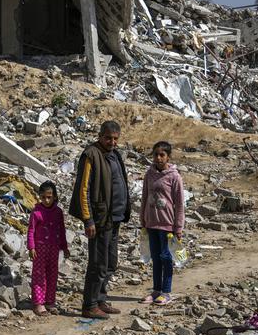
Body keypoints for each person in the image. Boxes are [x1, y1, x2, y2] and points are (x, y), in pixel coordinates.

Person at [69, 120, 130, 319]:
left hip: (115, 218)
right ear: (99, 136)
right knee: (97, 263)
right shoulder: (91, 155)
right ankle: (90, 304)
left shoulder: (115, 155)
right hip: (100, 220)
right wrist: (88, 219)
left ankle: (101, 298)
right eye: (108, 138)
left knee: (111, 262)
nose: (112, 142)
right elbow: (83, 189)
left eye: (115, 139)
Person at [139, 141, 185, 306]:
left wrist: (178, 227)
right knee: (156, 258)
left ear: (168, 157)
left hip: (167, 225)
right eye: (156, 154)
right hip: (151, 223)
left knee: (166, 257)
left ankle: (166, 292)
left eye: (162, 155)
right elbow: (144, 197)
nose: (158, 158)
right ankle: (156, 290)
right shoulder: (149, 174)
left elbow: (179, 204)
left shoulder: (174, 176)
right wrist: (142, 219)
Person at [27, 181, 70, 317]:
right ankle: (39, 303)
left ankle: (50, 301)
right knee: (39, 274)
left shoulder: (58, 212)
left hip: (54, 248)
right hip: (39, 249)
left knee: (52, 274)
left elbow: (62, 230)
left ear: (55, 197)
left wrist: (64, 247)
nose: (46, 200)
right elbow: (31, 231)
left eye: (49, 197)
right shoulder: (36, 212)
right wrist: (31, 247)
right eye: (43, 197)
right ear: (40, 196)